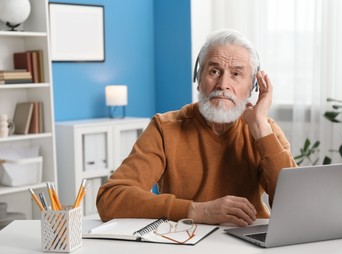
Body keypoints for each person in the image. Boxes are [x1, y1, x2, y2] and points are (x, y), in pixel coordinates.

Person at [96, 29, 297, 227]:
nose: (223, 84)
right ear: (199, 81)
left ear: (252, 87)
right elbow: (110, 199)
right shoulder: (164, 128)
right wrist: (196, 210)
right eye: (214, 71)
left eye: (236, 74)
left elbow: (296, 206)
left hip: (250, 243)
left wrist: (260, 128)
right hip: (184, 244)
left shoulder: (264, 128)